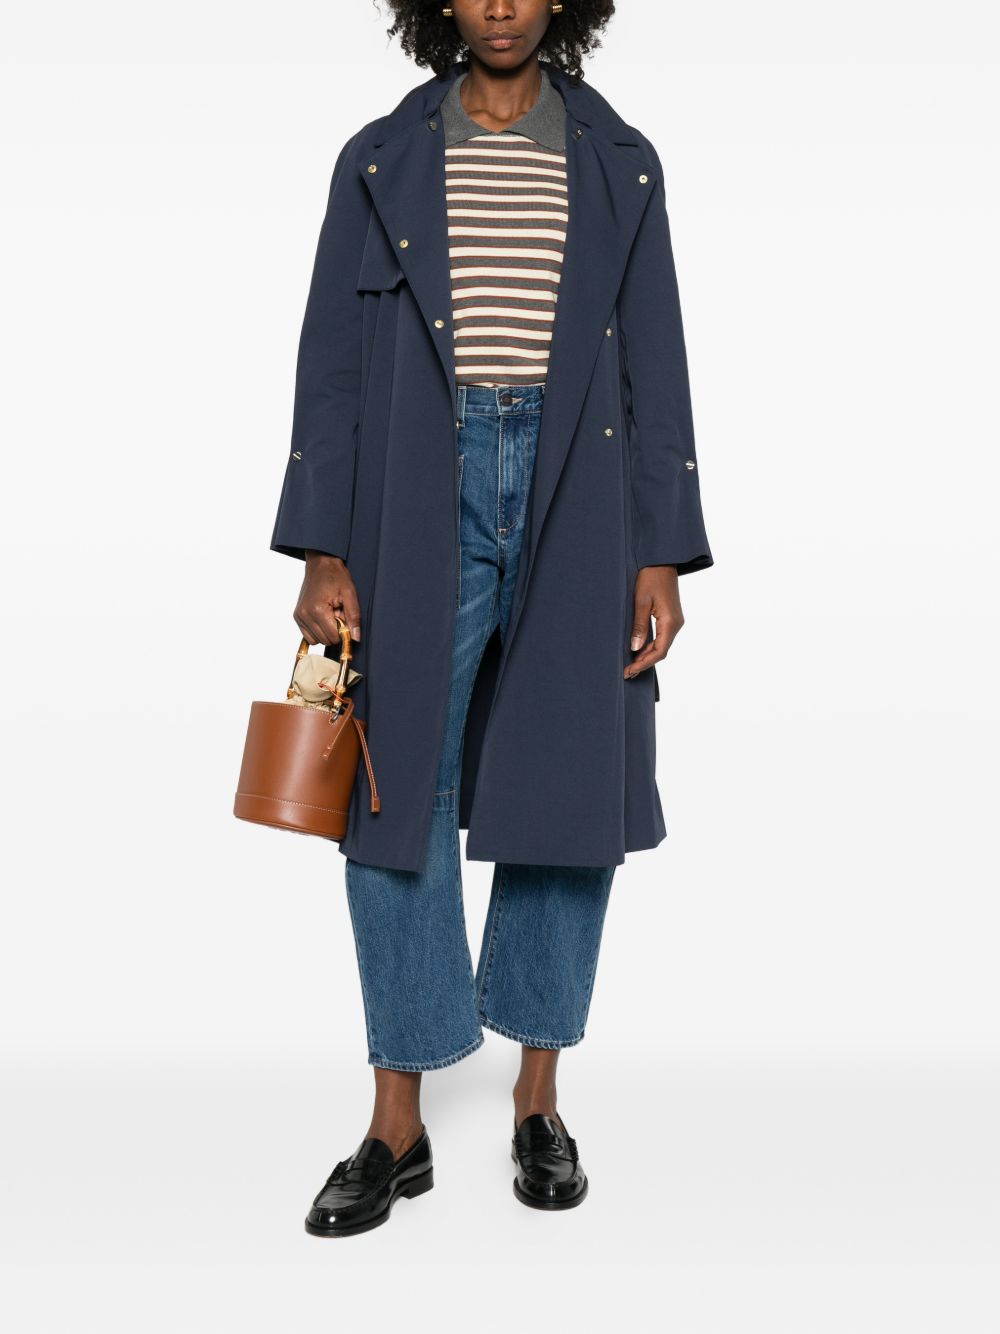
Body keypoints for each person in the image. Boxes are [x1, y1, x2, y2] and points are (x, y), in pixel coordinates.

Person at [269, 0, 712, 1237]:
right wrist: (320, 543)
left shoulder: (619, 160)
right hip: (419, 480)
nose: (501, 3)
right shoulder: (380, 157)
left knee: (572, 786)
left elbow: (657, 362)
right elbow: (331, 365)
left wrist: (662, 551)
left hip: (579, 485)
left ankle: (536, 1099)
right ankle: (395, 1121)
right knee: (390, 785)